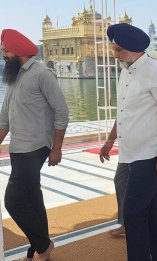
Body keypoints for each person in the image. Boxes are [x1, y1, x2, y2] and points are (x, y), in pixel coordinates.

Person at [99, 23, 157, 261]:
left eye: (118, 50)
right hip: (131, 153)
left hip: (150, 153)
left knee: (132, 213)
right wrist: (110, 139)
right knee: (152, 213)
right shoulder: (127, 69)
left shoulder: (156, 71)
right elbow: (124, 112)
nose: (115, 55)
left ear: (134, 50)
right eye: (114, 49)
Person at [0, 29, 69, 261]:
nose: (3, 54)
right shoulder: (13, 77)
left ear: (18, 51)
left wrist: (57, 147)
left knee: (13, 200)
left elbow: (61, 111)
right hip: (18, 148)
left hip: (36, 147)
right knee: (31, 198)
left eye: (6, 50)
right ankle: (38, 251)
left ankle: (43, 246)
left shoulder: (42, 74)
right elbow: (4, 120)